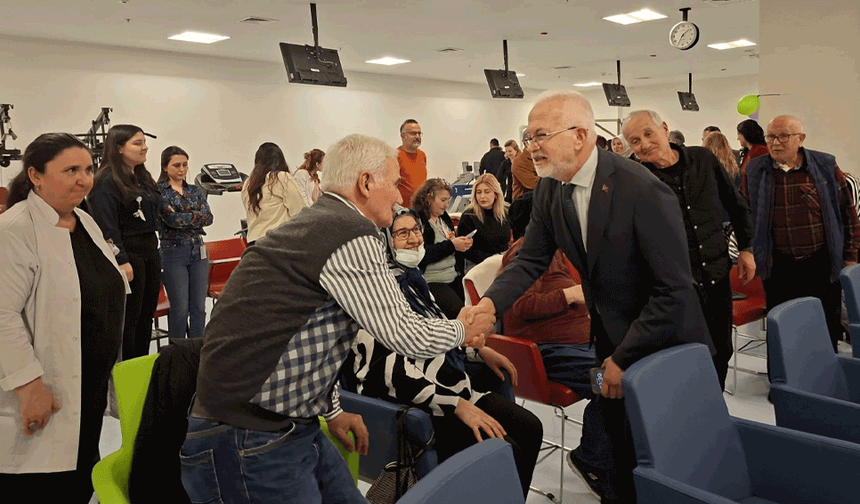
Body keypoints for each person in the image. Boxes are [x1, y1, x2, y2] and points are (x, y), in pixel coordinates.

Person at [181, 134, 494, 504]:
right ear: (365, 182)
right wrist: (463, 329)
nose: (398, 197)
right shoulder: (349, 231)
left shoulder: (319, 224)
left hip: (278, 424)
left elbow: (306, 336)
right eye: (394, 184)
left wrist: (331, 410)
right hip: (249, 435)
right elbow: (402, 332)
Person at [473, 90, 713, 504]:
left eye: (540, 136)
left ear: (581, 136)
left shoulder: (643, 191)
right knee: (619, 450)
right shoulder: (550, 190)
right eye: (528, 137)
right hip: (606, 342)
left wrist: (623, 359)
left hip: (662, 343)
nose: (531, 149)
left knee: (663, 458)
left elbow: (674, 291)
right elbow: (529, 259)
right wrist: (488, 306)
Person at [340, 207, 541, 499]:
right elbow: (389, 372)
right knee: (508, 449)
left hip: (444, 387)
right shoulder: (372, 294)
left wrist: (478, 352)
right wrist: (458, 405)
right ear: (383, 242)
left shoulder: (415, 282)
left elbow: (435, 341)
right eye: (402, 233)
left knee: (531, 428)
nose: (413, 239)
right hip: (415, 406)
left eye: (416, 231)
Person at [0, 133, 129, 502]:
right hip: (44, 388)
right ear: (36, 175)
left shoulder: (83, 221)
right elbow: (3, 315)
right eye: (71, 170)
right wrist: (29, 387)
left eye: (88, 169)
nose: (84, 179)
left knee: (77, 478)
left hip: (87, 385)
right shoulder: (15, 230)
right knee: (40, 485)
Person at [624, 110, 755, 392]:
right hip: (674, 288)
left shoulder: (702, 159)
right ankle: (688, 415)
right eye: (634, 141)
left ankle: (712, 407)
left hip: (716, 275)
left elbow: (735, 203)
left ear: (665, 128)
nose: (644, 144)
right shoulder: (633, 178)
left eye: (648, 134)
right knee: (683, 357)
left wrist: (746, 248)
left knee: (721, 350)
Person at [744, 115, 860, 352]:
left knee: (823, 326)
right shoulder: (755, 169)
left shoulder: (825, 165)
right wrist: (748, 251)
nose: (775, 143)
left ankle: (825, 377)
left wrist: (850, 256)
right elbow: (744, 214)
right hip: (777, 265)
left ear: (800, 139)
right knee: (782, 329)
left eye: (783, 136)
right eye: (771, 137)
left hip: (820, 262)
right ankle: (781, 384)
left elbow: (847, 213)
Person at [88, 124, 161, 361]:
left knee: (145, 316)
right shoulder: (106, 180)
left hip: (150, 249)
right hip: (129, 253)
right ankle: (128, 368)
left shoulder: (141, 176)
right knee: (130, 318)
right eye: (137, 143)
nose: (144, 147)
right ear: (119, 148)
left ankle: (142, 364)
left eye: (144, 142)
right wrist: (121, 260)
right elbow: (106, 223)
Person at [157, 146, 213, 339]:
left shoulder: (195, 190)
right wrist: (196, 216)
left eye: (185, 165)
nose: (182, 169)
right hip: (173, 252)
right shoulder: (160, 192)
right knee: (180, 309)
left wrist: (183, 216)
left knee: (198, 307)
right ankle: (178, 354)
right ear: (165, 167)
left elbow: (209, 217)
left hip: (198, 250)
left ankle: (197, 351)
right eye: (176, 165)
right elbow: (171, 220)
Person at [413, 178, 473, 319]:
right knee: (460, 314)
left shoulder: (444, 218)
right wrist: (452, 245)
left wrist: (461, 245)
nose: (447, 205)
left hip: (453, 275)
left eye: (448, 200)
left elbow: (451, 246)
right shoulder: (417, 222)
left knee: (474, 308)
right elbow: (422, 255)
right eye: (443, 200)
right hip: (433, 280)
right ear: (429, 198)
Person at [241, 142, 307, 244]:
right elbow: (299, 211)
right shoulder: (282, 178)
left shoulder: (248, 184)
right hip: (279, 241)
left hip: (254, 243)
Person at [455, 173, 510, 272]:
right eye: (479, 192)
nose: (482, 196)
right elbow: (467, 251)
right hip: (478, 264)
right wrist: (492, 262)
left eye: (487, 192)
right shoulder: (469, 216)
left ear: (496, 194)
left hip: (503, 260)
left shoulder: (506, 212)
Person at [397, 119, 427, 206]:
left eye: (419, 133)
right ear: (403, 136)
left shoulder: (422, 155)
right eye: (413, 133)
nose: (417, 136)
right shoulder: (395, 156)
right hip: (402, 211)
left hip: (420, 208)